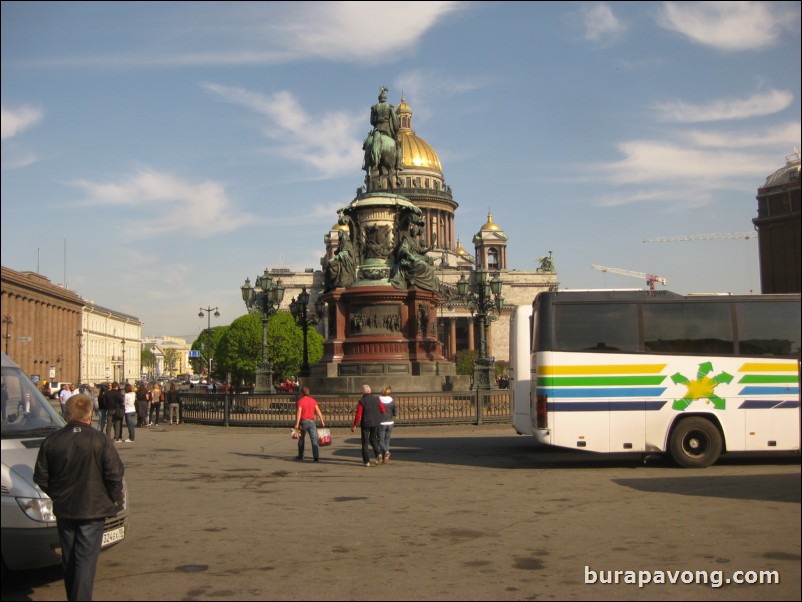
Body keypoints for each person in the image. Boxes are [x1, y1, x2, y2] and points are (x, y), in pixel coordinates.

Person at [33, 393, 125, 602]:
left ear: (67, 414)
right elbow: (114, 474)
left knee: (70, 558)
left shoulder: (52, 440)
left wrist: (57, 494)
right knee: (84, 560)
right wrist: (114, 500)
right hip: (93, 507)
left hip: (65, 507)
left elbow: (41, 476)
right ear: (90, 414)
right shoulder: (100, 439)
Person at [368, 85, 402, 171]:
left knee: (366, 144)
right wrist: (396, 129)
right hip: (386, 129)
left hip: (377, 130)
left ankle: (367, 164)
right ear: (385, 98)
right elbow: (394, 120)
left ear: (379, 99)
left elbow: (372, 121)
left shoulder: (374, 107)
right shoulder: (389, 107)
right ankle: (398, 165)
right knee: (398, 147)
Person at [351, 384, 386, 466]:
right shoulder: (377, 399)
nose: (360, 392)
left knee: (365, 442)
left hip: (366, 423)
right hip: (376, 422)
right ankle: (378, 454)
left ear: (363, 391)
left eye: (361, 390)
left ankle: (366, 461)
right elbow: (383, 410)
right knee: (373, 439)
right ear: (370, 391)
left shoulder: (362, 401)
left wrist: (355, 425)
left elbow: (358, 415)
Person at [293, 386, 326, 462]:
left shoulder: (300, 401)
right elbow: (318, 411)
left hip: (303, 422)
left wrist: (297, 424)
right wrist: (322, 421)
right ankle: (316, 456)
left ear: (302, 393)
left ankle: (301, 456)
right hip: (311, 422)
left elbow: (299, 413)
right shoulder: (313, 400)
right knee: (314, 440)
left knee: (301, 439)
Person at [378, 386, 397, 464]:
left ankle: (386, 452)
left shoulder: (378, 400)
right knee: (387, 440)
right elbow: (395, 412)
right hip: (390, 422)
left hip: (381, 422)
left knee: (380, 440)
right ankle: (385, 457)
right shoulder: (392, 401)